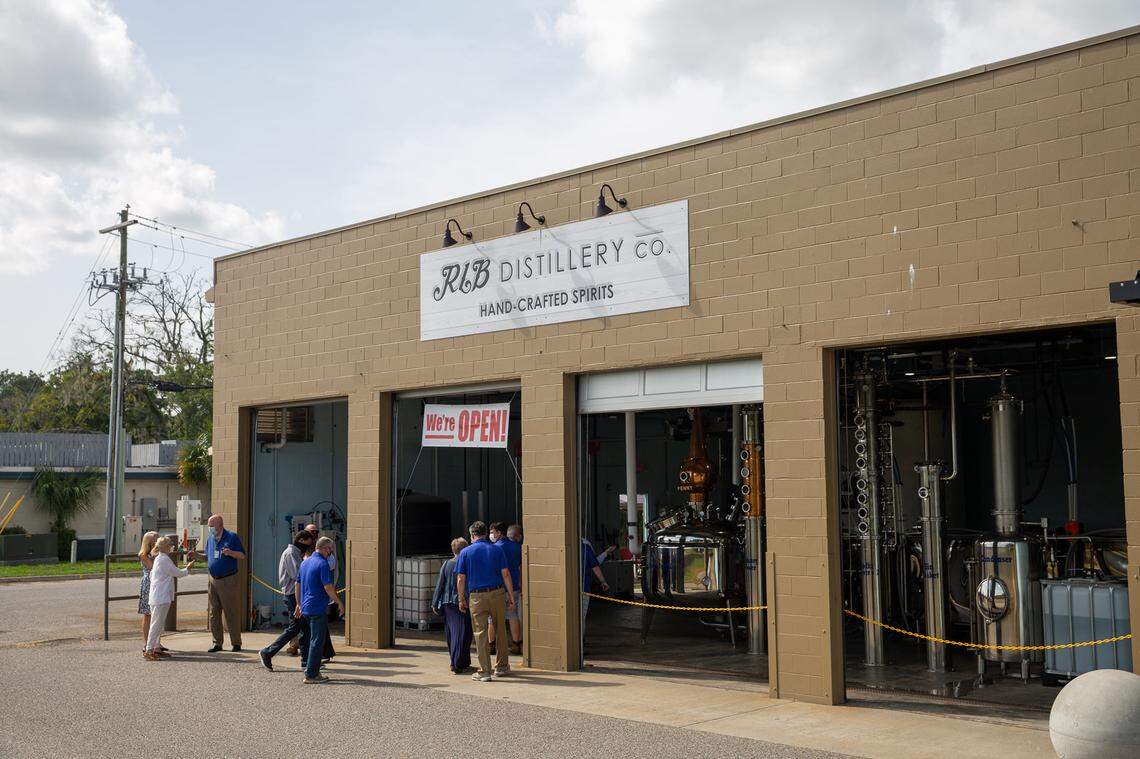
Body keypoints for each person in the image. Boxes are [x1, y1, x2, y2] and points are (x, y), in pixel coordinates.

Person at [455, 521, 516, 682]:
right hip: (497, 593)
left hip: (476, 596)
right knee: (500, 630)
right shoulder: (497, 550)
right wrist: (510, 596)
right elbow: (506, 574)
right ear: (484, 533)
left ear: (472, 535)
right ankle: (502, 666)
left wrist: (461, 598)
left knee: (480, 633)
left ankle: (485, 671)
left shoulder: (466, 552)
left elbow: (461, 578)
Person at [259, 530, 314, 671]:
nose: (309, 547)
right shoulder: (291, 554)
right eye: (308, 543)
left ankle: (306, 661)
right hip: (293, 596)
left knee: (304, 629)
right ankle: (268, 652)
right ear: (301, 540)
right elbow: (298, 576)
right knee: (295, 627)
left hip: (297, 595)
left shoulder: (296, 553)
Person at [194, 514, 245, 653]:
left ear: (219, 525)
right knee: (213, 612)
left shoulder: (231, 537)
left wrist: (231, 552)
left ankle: (236, 643)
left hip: (228, 579)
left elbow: (242, 555)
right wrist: (197, 556)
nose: (209, 528)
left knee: (230, 612)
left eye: (211, 525)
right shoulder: (210, 539)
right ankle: (217, 643)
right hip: (213, 579)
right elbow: (208, 556)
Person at [297, 536, 343, 684]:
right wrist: (339, 603)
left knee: (312, 640)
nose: (330, 552)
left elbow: (297, 584)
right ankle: (311, 674)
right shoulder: (322, 564)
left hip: (306, 607)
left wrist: (299, 603)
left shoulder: (305, 562)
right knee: (317, 641)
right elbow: (328, 587)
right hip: (317, 608)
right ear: (325, 548)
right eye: (330, 549)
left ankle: (311, 669)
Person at [145, 536, 195, 660]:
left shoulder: (158, 559)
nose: (172, 547)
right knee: (156, 624)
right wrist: (187, 569)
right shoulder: (164, 559)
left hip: (157, 596)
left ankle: (155, 648)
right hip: (161, 597)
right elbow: (177, 573)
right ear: (166, 547)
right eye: (170, 545)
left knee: (158, 624)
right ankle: (149, 650)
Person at [431, 537, 472, 674]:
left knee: (452, 633)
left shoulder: (447, 563)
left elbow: (440, 584)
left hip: (447, 603)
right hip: (461, 602)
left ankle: (460, 661)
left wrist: (435, 603)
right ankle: (457, 663)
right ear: (465, 549)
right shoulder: (467, 563)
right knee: (463, 633)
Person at [487, 522, 523, 655]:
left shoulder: (493, 548)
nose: (491, 535)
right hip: (514, 587)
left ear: (499, 533)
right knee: (513, 615)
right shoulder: (517, 547)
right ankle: (516, 644)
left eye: (492, 532)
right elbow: (521, 568)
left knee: (492, 618)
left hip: (497, 587)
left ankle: (491, 645)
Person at [580, 537, 611, 636]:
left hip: (568, 589)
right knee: (581, 617)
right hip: (584, 589)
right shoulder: (585, 546)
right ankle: (580, 642)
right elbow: (595, 565)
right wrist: (603, 581)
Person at [137, 530, 159, 653]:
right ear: (150, 542)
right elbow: (153, 567)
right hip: (148, 584)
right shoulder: (144, 554)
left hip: (157, 583)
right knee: (148, 614)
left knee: (157, 614)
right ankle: (147, 644)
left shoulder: (159, 553)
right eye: (156, 539)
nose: (159, 540)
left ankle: (156, 644)